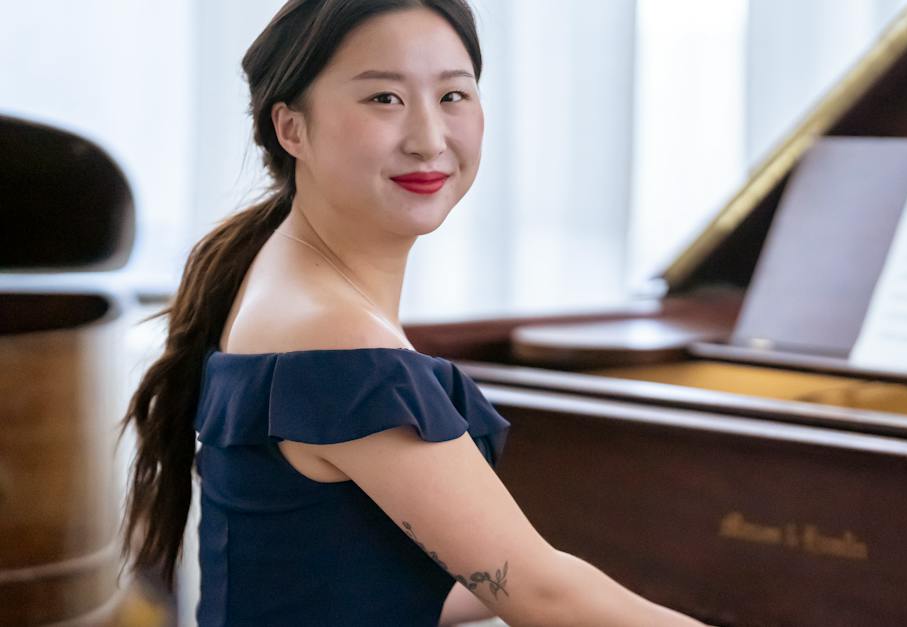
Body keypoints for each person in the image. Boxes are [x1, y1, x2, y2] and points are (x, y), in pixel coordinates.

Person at [119, 1, 710, 625]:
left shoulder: (282, 278)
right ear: (292, 129)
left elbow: (342, 578)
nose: (430, 139)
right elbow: (542, 594)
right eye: (384, 99)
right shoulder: (333, 337)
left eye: (453, 95)